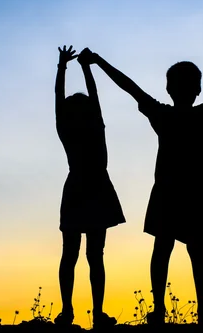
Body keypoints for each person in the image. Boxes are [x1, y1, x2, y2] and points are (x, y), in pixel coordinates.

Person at [78, 46, 203, 325]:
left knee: (165, 248)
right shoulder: (201, 113)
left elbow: (129, 86)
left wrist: (98, 61)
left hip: (171, 191)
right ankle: (199, 312)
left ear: (170, 89)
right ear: (198, 89)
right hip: (191, 192)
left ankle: (161, 310)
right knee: (195, 251)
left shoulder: (164, 115)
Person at [54, 45, 126, 328]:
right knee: (94, 255)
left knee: (71, 254)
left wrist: (63, 67)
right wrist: (85, 67)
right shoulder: (94, 124)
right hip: (95, 187)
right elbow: (88, 99)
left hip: (82, 187)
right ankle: (94, 314)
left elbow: (59, 100)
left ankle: (70, 312)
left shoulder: (67, 127)